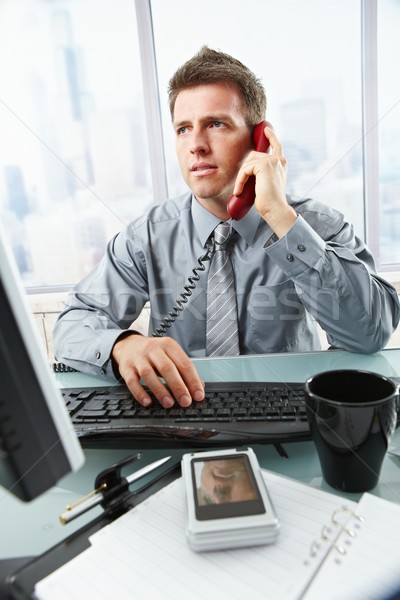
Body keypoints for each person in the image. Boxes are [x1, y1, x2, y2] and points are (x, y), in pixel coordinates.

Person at [53, 46, 400, 410]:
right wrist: (124, 344)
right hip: (182, 415)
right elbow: (73, 323)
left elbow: (370, 333)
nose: (196, 146)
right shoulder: (148, 235)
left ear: (259, 139)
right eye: (183, 129)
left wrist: (280, 218)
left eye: (215, 124)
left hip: (291, 413)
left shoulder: (315, 225)